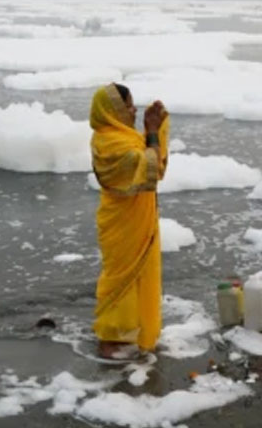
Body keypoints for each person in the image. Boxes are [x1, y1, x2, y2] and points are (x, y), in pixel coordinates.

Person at [88, 82, 169, 359]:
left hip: (134, 219)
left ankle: (134, 331)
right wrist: (154, 132)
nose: (134, 110)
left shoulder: (122, 136)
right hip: (122, 222)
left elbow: (150, 161)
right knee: (121, 280)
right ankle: (111, 338)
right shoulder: (110, 143)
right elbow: (149, 169)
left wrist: (150, 131)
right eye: (129, 105)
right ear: (113, 110)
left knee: (138, 277)